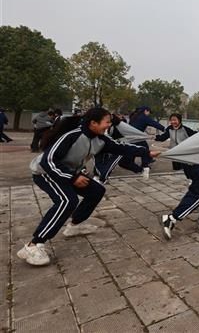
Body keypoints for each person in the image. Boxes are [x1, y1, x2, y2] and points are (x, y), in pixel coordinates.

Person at [18, 108, 159, 266]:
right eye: (107, 121)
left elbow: (121, 148)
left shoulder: (100, 139)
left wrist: (147, 152)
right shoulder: (72, 135)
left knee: (96, 191)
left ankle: (74, 226)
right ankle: (33, 245)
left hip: (69, 173)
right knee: (67, 201)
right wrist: (73, 177)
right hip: (46, 173)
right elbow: (48, 161)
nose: (109, 125)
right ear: (93, 123)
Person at [93, 113, 147, 183]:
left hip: (118, 147)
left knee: (114, 163)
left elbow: (131, 132)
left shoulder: (120, 125)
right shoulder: (102, 126)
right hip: (105, 146)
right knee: (101, 161)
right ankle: (98, 176)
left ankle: (102, 179)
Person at [129, 106, 165, 178]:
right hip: (137, 138)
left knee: (132, 150)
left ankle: (133, 164)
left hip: (130, 137)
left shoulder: (134, 116)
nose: (149, 114)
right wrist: (164, 129)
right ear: (146, 111)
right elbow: (154, 123)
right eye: (149, 112)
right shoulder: (143, 117)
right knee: (145, 150)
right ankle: (145, 166)